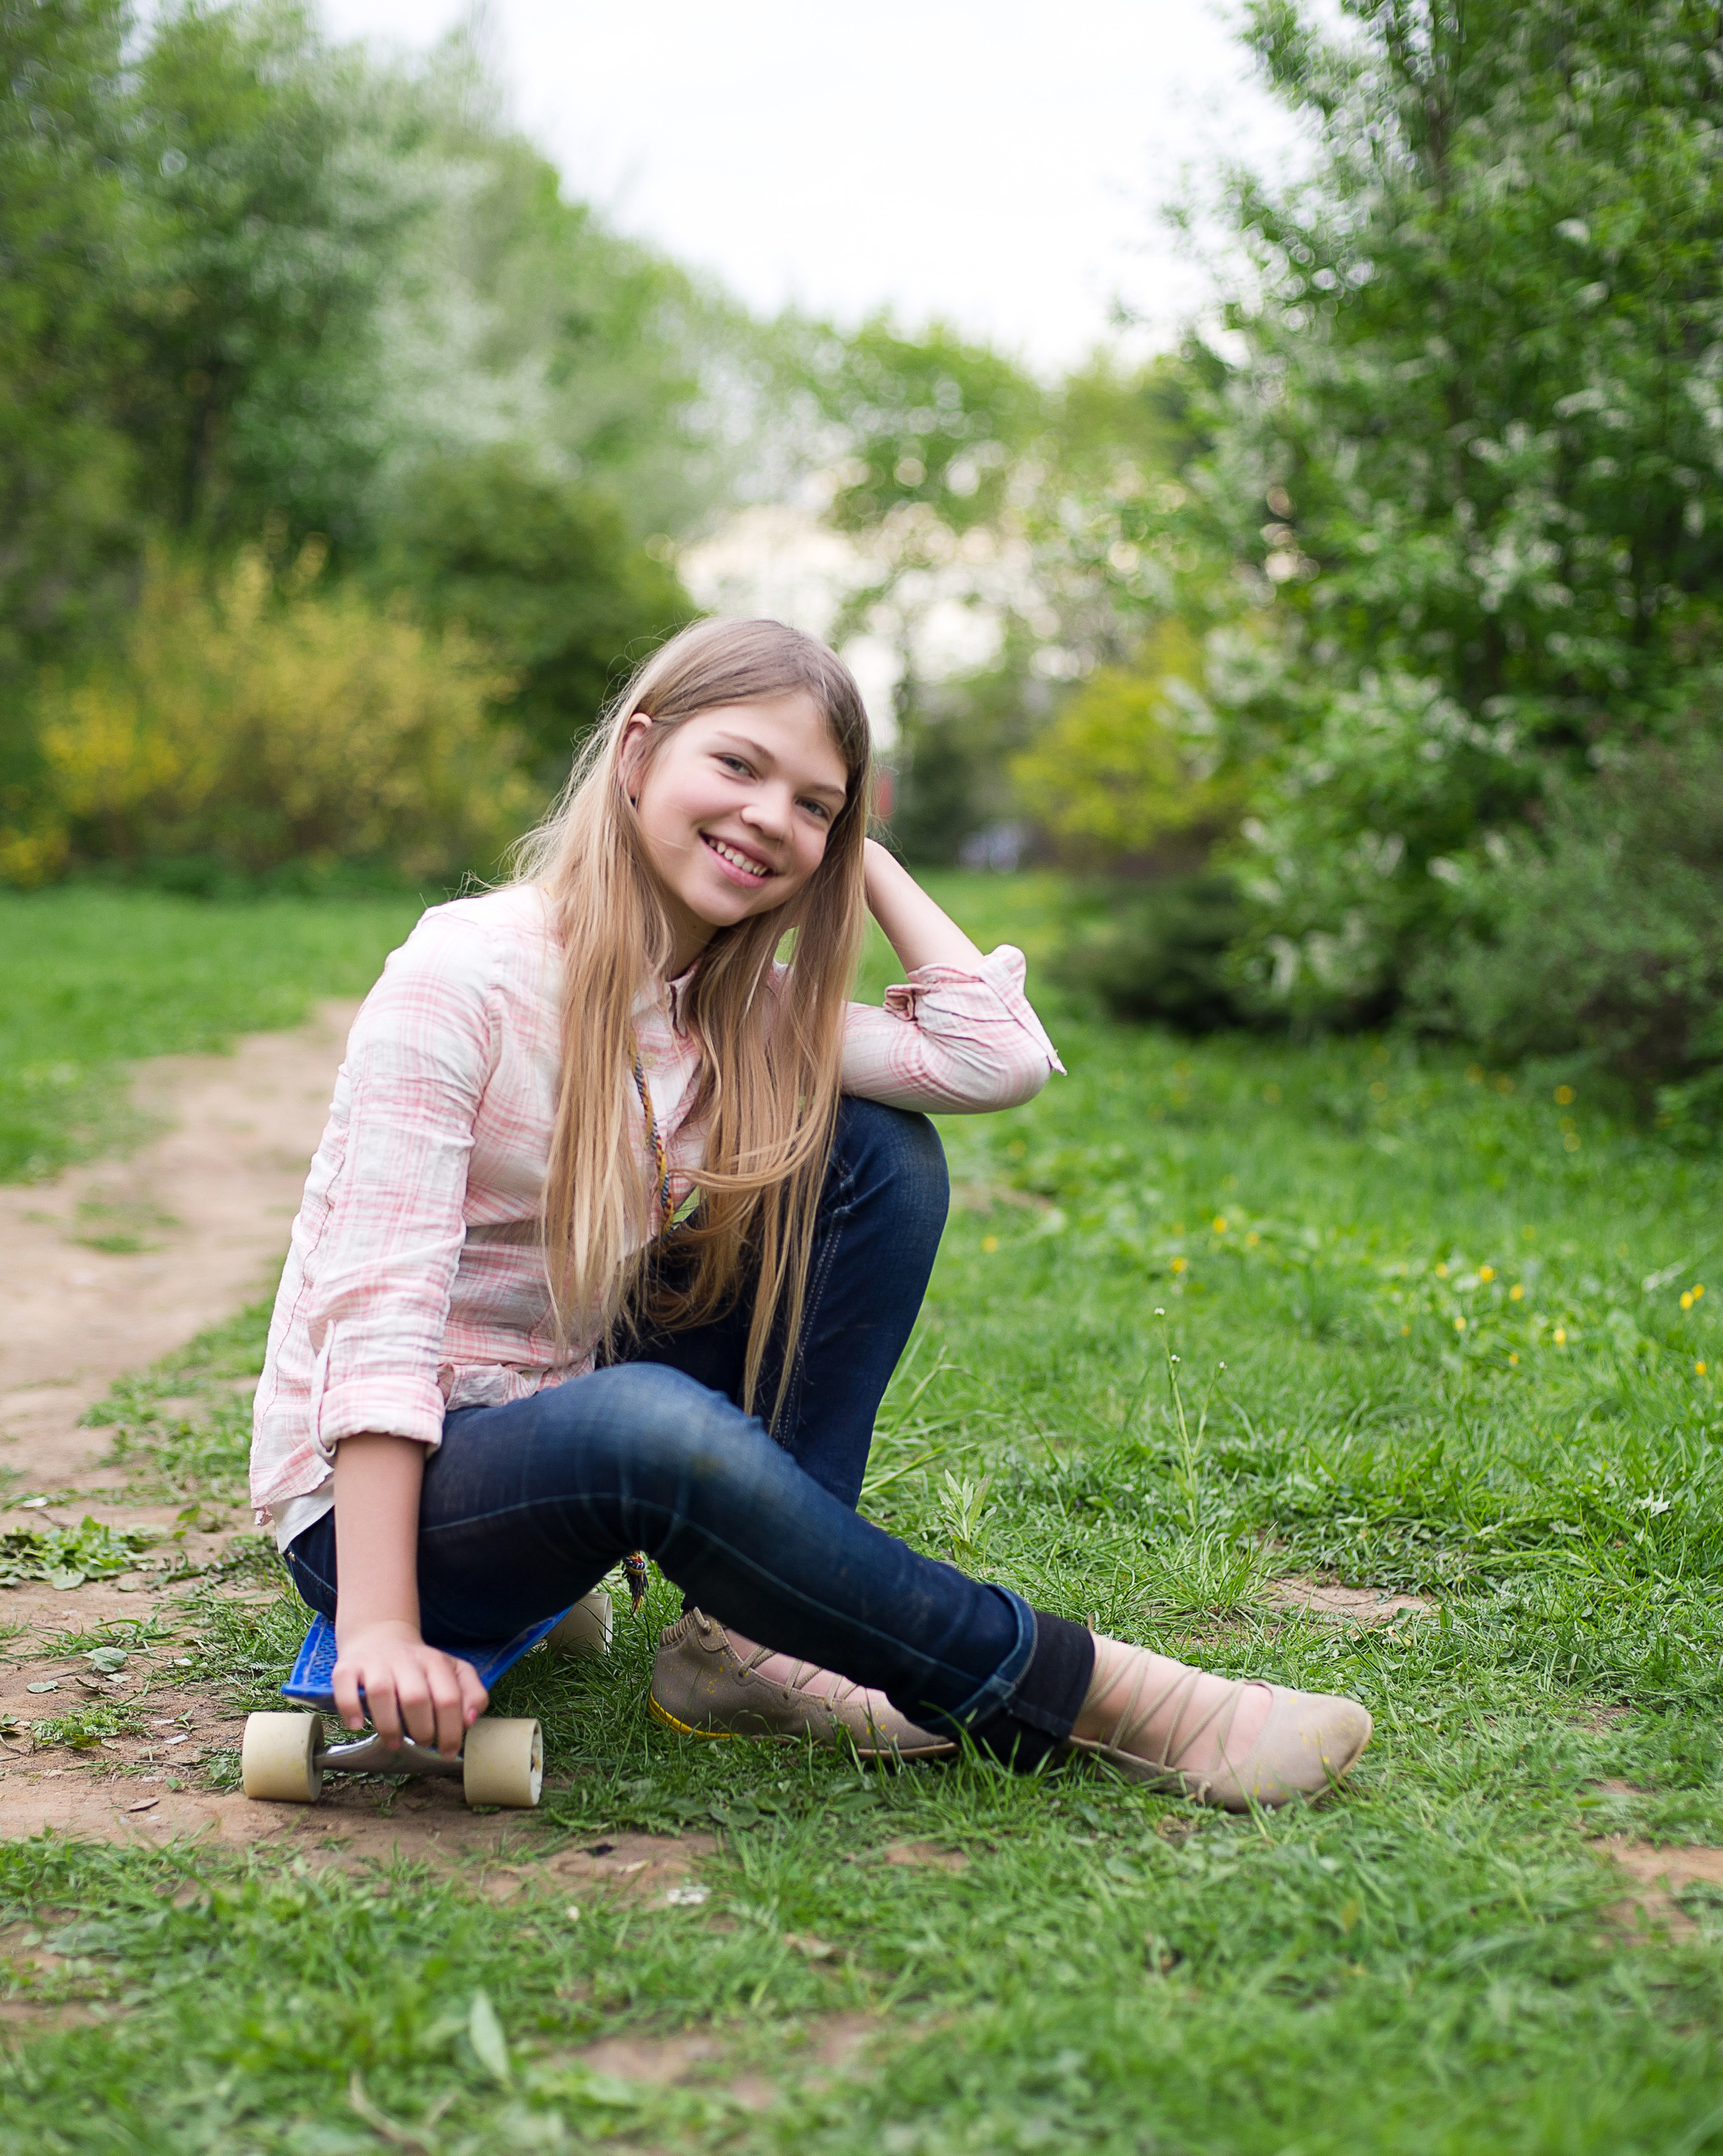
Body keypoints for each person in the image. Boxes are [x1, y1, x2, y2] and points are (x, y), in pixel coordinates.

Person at [249, 618, 1371, 1809]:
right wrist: (377, 1619)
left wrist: (856, 854)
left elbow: (994, 1058)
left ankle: (751, 1645)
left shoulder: (738, 1013)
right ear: (637, 756)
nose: (770, 817)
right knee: (644, 1422)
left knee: (881, 1149)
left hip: (564, 1416)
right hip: (384, 1505)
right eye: (737, 767)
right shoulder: (465, 973)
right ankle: (1116, 1699)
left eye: (815, 803)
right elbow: (375, 1316)